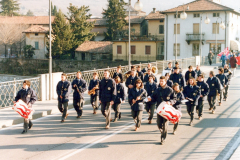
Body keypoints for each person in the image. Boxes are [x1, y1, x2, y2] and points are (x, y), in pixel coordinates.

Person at [148, 76, 173, 145]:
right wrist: (150, 98)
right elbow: (153, 97)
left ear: (165, 81)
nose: (161, 82)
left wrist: (170, 102)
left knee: (165, 124)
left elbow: (174, 98)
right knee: (159, 123)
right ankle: (162, 131)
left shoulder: (170, 90)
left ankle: (163, 138)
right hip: (159, 109)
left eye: (162, 81)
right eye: (160, 81)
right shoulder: (157, 90)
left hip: (166, 110)